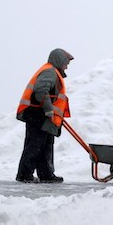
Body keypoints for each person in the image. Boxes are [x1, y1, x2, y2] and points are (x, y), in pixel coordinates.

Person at [15, 48, 73, 183]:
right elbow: (41, 90)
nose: (66, 67)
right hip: (38, 115)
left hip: (43, 116)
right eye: (66, 63)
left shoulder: (53, 72)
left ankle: (46, 174)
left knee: (46, 145)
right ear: (59, 60)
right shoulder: (50, 72)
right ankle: (24, 175)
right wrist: (48, 110)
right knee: (35, 145)